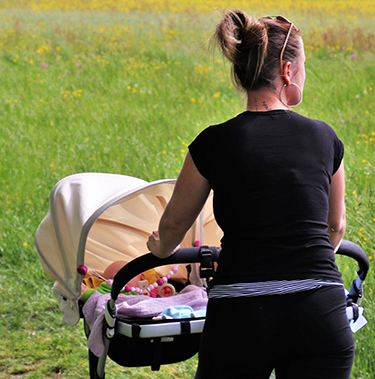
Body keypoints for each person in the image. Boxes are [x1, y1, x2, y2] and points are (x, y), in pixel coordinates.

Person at [147, 10, 354, 379]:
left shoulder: (212, 143)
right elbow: (335, 227)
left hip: (241, 313)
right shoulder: (325, 138)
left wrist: (160, 248)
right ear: (288, 71)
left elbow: (175, 224)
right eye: (305, 65)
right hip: (319, 310)